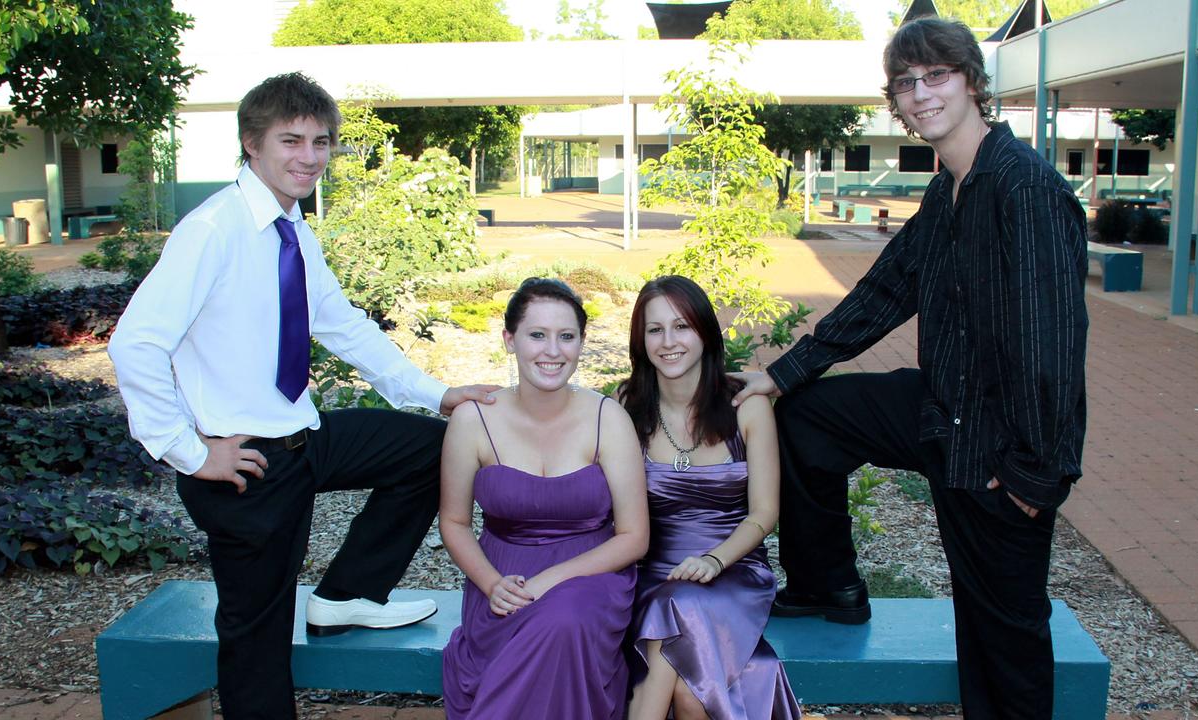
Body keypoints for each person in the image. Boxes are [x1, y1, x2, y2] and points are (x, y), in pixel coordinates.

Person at [107, 73, 496, 720]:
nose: (310, 157)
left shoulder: (293, 229)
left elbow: (342, 324)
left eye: (321, 142)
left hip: (301, 441)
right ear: (250, 145)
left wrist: (438, 394)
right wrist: (188, 452)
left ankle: (347, 595)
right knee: (256, 646)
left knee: (436, 448)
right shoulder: (214, 230)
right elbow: (135, 344)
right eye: (291, 140)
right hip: (242, 468)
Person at [732, 18, 1089, 720]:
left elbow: (1052, 353)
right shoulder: (947, 190)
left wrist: (1034, 476)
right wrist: (785, 372)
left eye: (937, 76)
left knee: (1002, 637)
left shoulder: (1025, 192)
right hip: (942, 410)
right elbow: (887, 291)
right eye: (906, 82)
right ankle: (828, 584)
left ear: (973, 83)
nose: (921, 94)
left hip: (999, 449)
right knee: (805, 417)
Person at [439, 277, 649, 719]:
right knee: (542, 627)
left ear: (581, 343)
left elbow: (633, 537)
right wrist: (491, 583)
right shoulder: (473, 419)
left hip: (591, 576)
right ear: (509, 339)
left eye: (566, 337)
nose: (552, 351)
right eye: (537, 335)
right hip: (501, 580)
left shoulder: (606, 418)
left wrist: (551, 581)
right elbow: (454, 522)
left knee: (564, 621)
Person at [619, 275, 801, 720]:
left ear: (704, 330)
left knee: (679, 605)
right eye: (655, 330)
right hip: (652, 575)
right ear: (640, 342)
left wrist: (715, 560)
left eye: (681, 326)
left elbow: (764, 513)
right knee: (688, 685)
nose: (668, 342)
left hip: (733, 571)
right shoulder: (628, 406)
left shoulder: (746, 406)